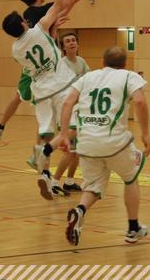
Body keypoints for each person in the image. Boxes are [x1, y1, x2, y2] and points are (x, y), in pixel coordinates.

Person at [49, 46, 150, 245]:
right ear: (125, 64)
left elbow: (68, 103)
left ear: (103, 62)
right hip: (115, 143)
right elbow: (140, 101)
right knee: (130, 178)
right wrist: (145, 134)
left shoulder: (88, 77)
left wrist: (63, 134)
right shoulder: (129, 76)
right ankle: (133, 228)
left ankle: (80, 210)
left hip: (87, 143)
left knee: (94, 186)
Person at [2, 0, 82, 200]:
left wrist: (53, 30)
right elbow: (63, 2)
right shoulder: (39, 29)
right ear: (23, 24)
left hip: (41, 92)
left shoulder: (15, 50)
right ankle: (45, 153)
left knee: (46, 132)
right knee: (73, 128)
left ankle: (44, 173)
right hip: (60, 85)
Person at [0, 0, 54, 140]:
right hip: (45, 65)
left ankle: (1, 125)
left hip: (30, 63)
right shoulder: (47, 10)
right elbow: (63, 3)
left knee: (18, 96)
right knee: (46, 108)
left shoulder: (27, 14)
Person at [51, 32, 90, 193]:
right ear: (63, 47)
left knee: (76, 151)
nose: (72, 43)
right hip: (66, 109)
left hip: (79, 109)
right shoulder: (61, 65)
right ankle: (54, 182)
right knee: (69, 150)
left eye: (74, 40)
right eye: (68, 41)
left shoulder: (81, 62)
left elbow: (89, 82)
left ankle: (69, 181)